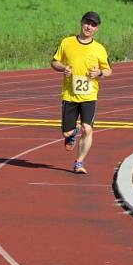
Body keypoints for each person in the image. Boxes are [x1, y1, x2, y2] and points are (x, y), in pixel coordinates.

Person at [50, 11, 112, 174]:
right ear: (81, 22)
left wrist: (99, 72)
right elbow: (54, 62)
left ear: (97, 28)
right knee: (66, 132)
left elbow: (108, 71)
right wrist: (64, 68)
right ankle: (72, 133)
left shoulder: (99, 49)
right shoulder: (67, 42)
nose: (89, 27)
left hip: (89, 95)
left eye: (93, 25)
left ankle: (79, 162)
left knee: (88, 128)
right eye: (87, 22)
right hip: (69, 95)